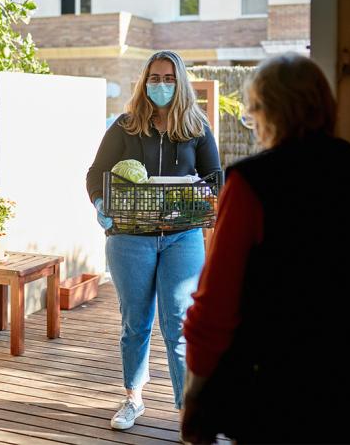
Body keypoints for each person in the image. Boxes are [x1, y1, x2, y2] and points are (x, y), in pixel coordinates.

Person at [180, 53, 350, 444]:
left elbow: (215, 307)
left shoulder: (252, 183)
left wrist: (196, 395)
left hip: (277, 388)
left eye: (252, 111)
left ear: (265, 112)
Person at [86, 50, 221, 430]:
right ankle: (133, 399)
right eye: (154, 77)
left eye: (168, 78)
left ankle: (186, 410)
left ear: (180, 83)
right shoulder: (125, 126)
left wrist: (203, 195)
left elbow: (215, 178)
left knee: (178, 322)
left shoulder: (197, 128)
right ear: (144, 81)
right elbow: (96, 172)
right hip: (129, 238)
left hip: (182, 237)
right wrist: (100, 202)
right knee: (136, 322)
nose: (160, 85)